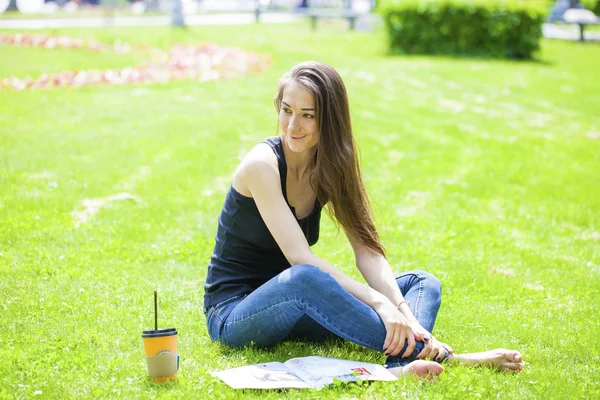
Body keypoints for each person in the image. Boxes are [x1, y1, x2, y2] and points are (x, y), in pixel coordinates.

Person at [203, 61, 523, 379]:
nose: (292, 125)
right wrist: (379, 303)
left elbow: (368, 252)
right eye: (287, 110)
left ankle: (407, 353)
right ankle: (448, 358)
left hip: (295, 308)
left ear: (329, 120)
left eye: (307, 115)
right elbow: (299, 258)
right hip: (234, 313)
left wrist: (404, 313)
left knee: (421, 283)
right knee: (305, 276)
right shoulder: (262, 166)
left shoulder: (330, 166)